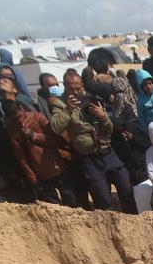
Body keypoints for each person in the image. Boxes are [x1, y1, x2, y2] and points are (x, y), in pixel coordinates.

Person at [50, 69, 136, 213]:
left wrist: (102, 116)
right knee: (103, 199)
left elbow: (109, 129)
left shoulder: (91, 99)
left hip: (108, 152)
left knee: (126, 187)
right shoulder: (61, 104)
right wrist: (68, 111)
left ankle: (133, 220)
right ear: (65, 86)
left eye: (78, 88)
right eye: (72, 89)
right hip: (89, 157)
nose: (76, 92)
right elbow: (56, 128)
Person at [6, 101, 76, 206]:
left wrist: (33, 135)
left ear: (22, 109)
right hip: (40, 173)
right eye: (15, 119)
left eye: (20, 116)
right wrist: (31, 176)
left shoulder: (37, 117)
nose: (20, 121)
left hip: (57, 165)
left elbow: (55, 139)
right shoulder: (13, 130)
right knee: (52, 205)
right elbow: (21, 158)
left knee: (70, 199)